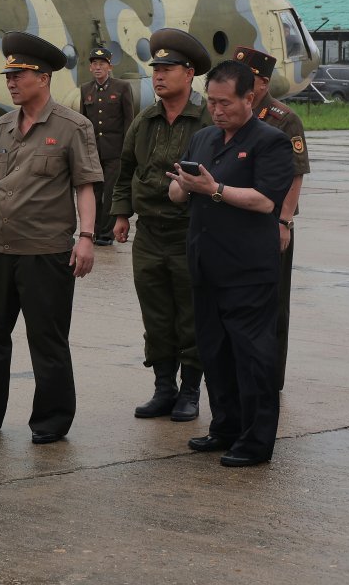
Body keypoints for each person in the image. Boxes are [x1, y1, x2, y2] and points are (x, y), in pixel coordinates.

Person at [0, 32, 102, 444]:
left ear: (43, 78)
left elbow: (85, 185)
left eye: (19, 75)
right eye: (9, 75)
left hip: (46, 253)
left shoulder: (73, 127)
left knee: (46, 340)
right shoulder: (0, 128)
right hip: (0, 248)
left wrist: (86, 237)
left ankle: (50, 421)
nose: (11, 82)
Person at [169, 60, 294, 467]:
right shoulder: (203, 138)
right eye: (212, 102)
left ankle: (256, 442)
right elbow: (178, 194)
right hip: (206, 265)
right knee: (215, 352)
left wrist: (215, 189)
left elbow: (265, 201)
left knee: (252, 356)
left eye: (226, 103)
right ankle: (225, 427)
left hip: (247, 271)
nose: (217, 110)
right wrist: (181, 186)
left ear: (249, 97)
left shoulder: (269, 141)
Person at [110, 29, 212, 421]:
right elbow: (125, 171)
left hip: (191, 232)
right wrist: (121, 214)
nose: (159, 75)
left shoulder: (205, 120)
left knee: (191, 313)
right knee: (155, 314)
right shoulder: (144, 120)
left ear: (189, 74)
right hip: (149, 235)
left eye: (168, 68)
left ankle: (190, 391)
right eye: (156, 68)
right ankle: (163, 388)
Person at [234, 47, 311, 391]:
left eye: (245, 78)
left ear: (262, 83)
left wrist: (284, 222)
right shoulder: (234, 112)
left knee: (272, 304)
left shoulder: (283, 118)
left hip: (270, 223)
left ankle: (270, 379)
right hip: (236, 217)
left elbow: (296, 175)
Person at [79, 48, 133, 246]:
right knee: (94, 193)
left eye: (102, 63)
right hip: (93, 151)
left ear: (110, 66)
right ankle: (91, 231)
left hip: (115, 150)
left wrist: (128, 148)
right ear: (91, 67)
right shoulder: (86, 89)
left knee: (110, 192)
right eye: (94, 63)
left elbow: (129, 119)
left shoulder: (122, 87)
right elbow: (84, 121)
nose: (98, 67)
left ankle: (106, 234)